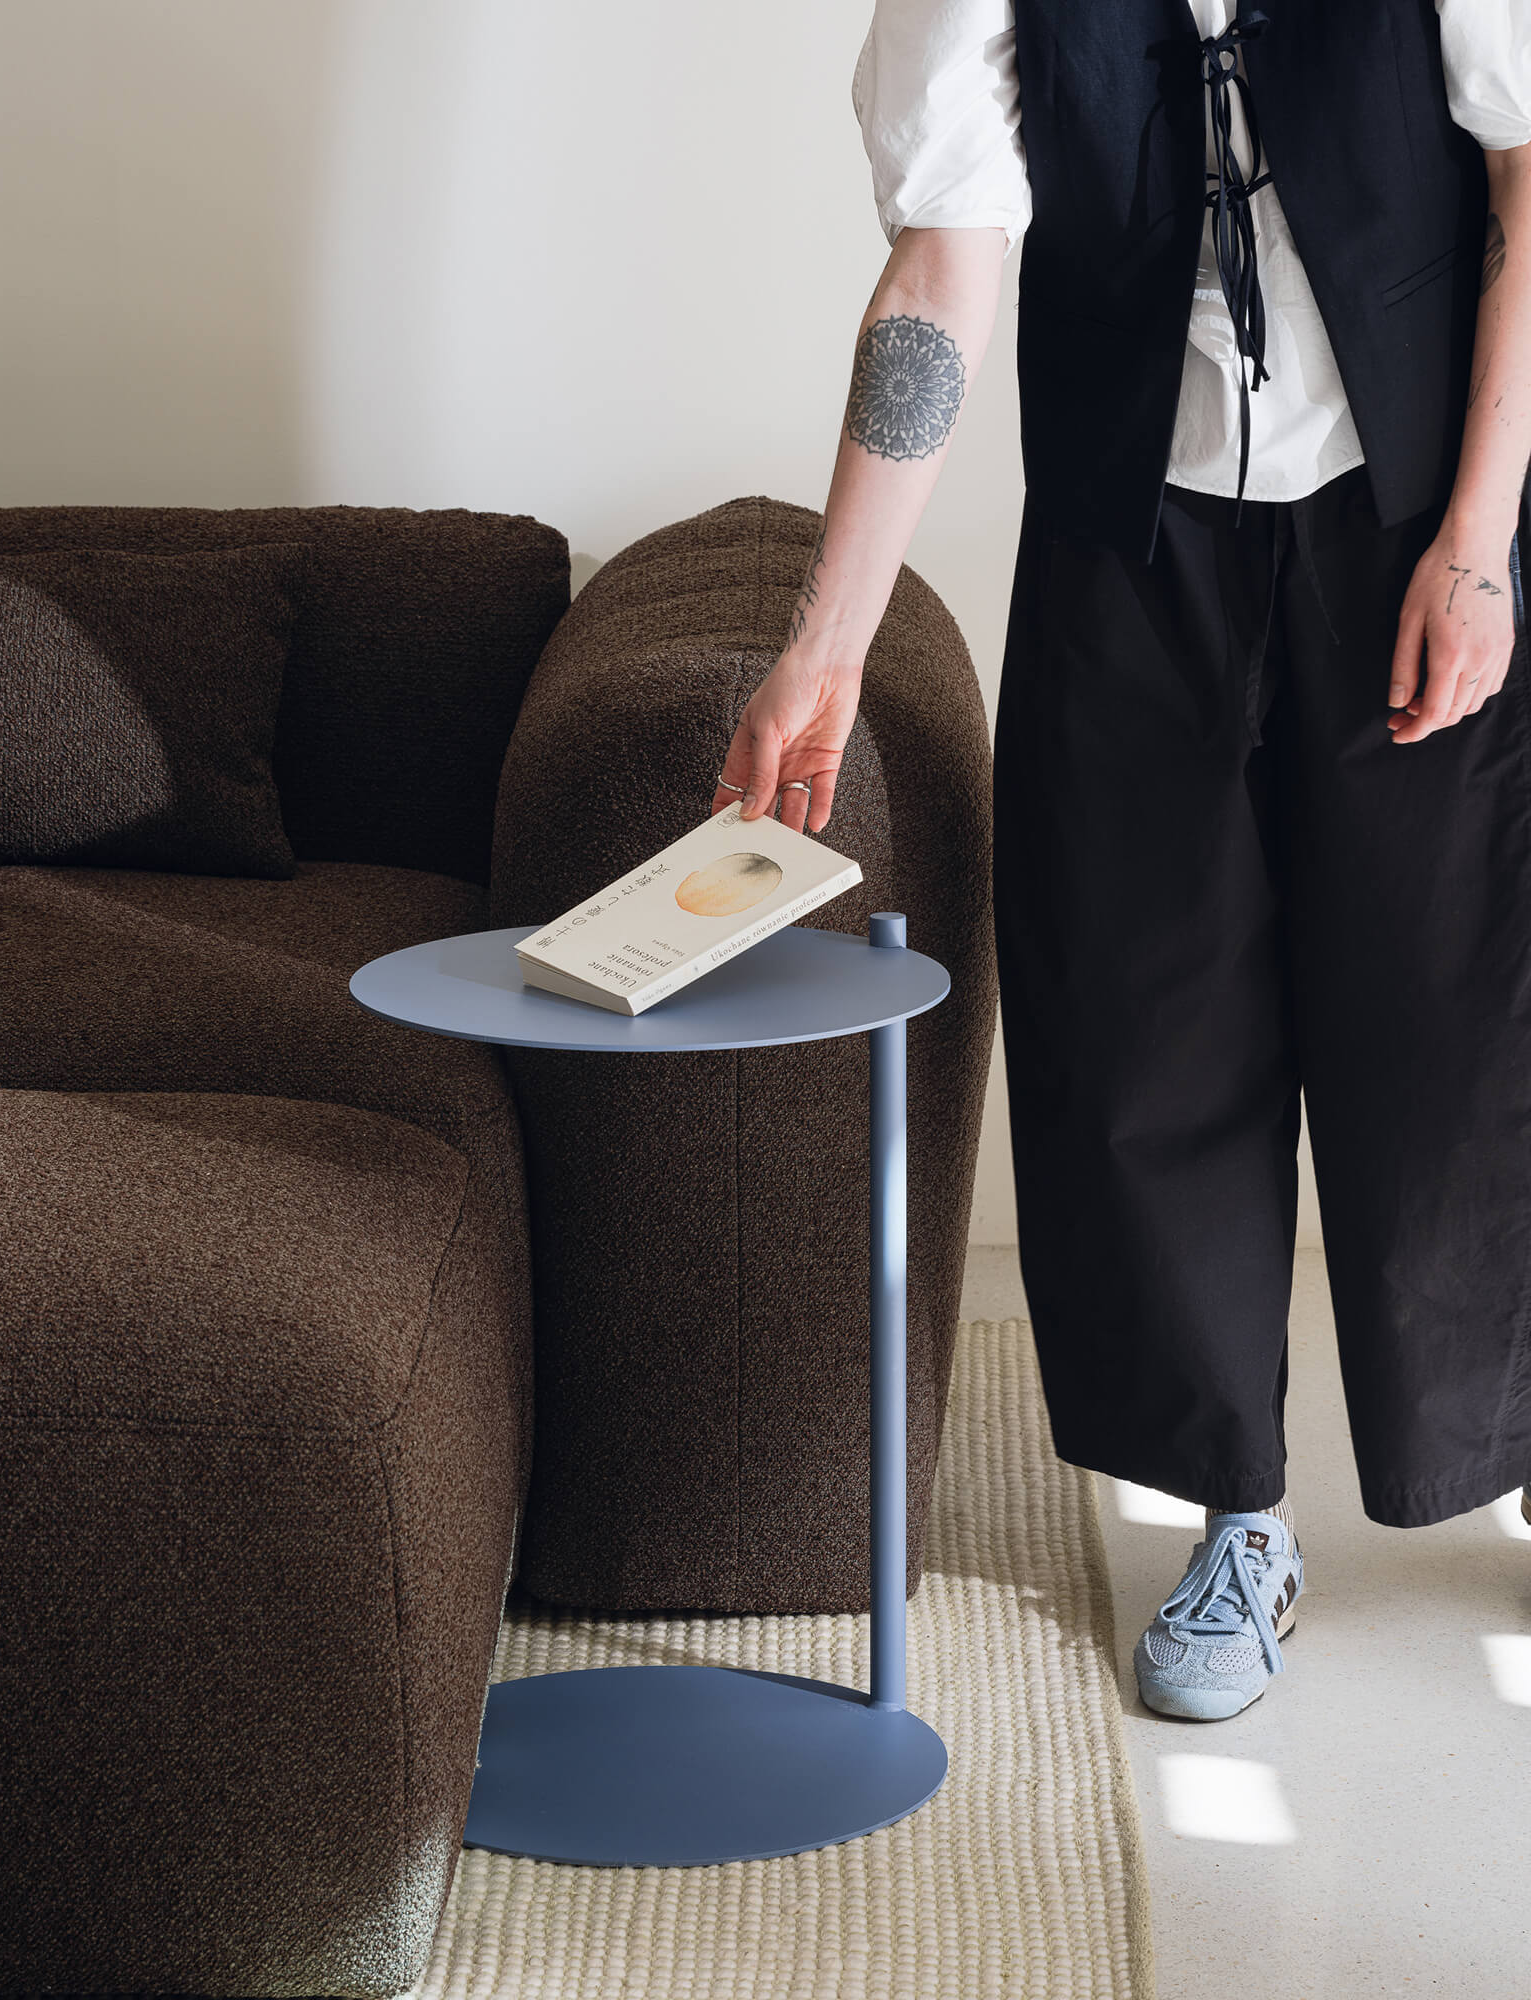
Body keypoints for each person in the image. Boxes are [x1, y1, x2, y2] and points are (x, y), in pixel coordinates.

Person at [710, 0, 1531, 1721]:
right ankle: (1239, 1517)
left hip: (1412, 512)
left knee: (1457, 1019)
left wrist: (1482, 536)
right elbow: (941, 274)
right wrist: (825, 646)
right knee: (1144, 1024)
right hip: (1131, 534)